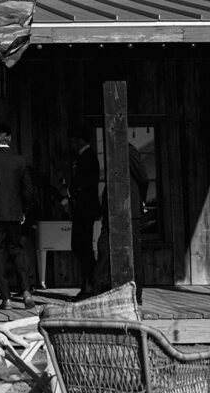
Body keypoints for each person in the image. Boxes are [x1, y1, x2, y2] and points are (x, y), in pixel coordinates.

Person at [0, 122, 36, 310]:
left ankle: (6, 298)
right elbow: (28, 190)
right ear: (9, 138)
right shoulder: (20, 160)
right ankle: (26, 292)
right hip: (14, 215)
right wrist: (23, 210)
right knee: (17, 251)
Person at [92, 142, 149, 302]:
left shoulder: (128, 149)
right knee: (104, 248)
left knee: (134, 252)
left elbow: (143, 178)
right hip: (111, 206)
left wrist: (141, 200)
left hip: (130, 206)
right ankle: (99, 290)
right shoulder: (111, 148)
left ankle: (136, 296)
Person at [67, 129, 101, 299]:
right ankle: (89, 284)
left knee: (82, 247)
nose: (71, 145)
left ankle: (92, 284)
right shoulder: (86, 157)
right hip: (83, 207)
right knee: (81, 246)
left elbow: (86, 183)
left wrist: (74, 193)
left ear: (80, 140)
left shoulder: (87, 157)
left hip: (85, 208)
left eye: (73, 141)